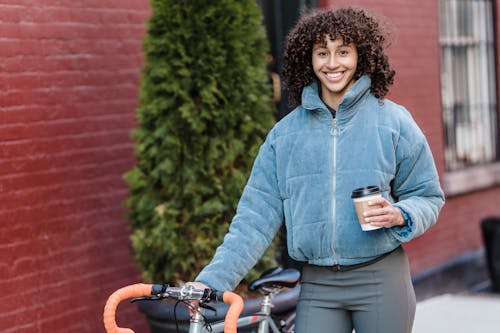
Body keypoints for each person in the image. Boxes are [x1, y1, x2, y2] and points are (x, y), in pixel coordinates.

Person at [189, 6, 445, 333]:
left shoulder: (393, 122)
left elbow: (427, 195)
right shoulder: (284, 136)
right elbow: (253, 219)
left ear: (362, 57)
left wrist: (400, 214)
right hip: (318, 285)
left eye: (343, 52)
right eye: (322, 53)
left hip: (381, 278)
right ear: (307, 59)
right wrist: (211, 281)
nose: (332, 63)